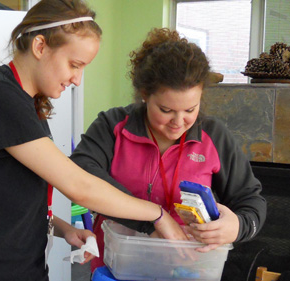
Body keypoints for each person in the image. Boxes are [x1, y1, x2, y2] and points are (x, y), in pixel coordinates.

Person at [0, 0, 186, 281]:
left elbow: (10, 196)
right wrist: (158, 214)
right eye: (74, 65)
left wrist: (65, 229)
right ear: (40, 46)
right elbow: (78, 185)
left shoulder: (27, 102)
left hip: (22, 267)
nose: (77, 79)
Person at [70, 28, 267, 273]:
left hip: (187, 270)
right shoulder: (113, 126)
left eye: (190, 110)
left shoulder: (214, 136)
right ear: (144, 95)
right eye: (165, 110)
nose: (178, 121)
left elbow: (251, 201)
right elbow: (79, 176)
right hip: (117, 266)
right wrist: (153, 221)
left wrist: (239, 225)